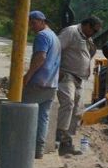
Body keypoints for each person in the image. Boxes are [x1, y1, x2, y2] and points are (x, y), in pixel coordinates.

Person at [56, 15, 102, 155]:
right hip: (67, 75)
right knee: (68, 102)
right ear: (87, 25)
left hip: (79, 78)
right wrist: (56, 70)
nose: (94, 33)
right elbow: (56, 49)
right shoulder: (71, 32)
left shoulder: (87, 37)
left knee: (78, 111)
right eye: (93, 30)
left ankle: (66, 142)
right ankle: (58, 136)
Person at [23, 10, 61, 160]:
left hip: (38, 83)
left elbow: (40, 57)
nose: (32, 26)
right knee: (42, 117)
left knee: (25, 115)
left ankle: (24, 148)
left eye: (33, 23)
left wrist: (28, 75)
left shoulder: (42, 36)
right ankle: (38, 150)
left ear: (41, 21)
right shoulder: (55, 37)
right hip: (51, 84)